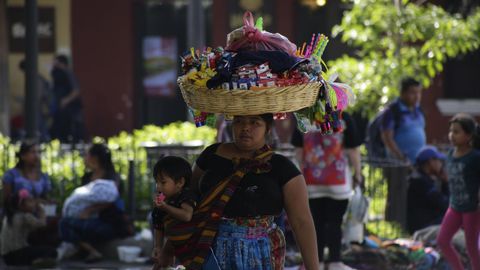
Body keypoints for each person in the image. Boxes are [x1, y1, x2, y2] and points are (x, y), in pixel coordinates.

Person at [160, 114, 319, 270]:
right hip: (207, 250)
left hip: (260, 252)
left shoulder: (282, 167)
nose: (245, 128)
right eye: (239, 121)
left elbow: (302, 222)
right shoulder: (211, 155)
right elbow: (186, 202)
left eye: (254, 122)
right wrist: (168, 250)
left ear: (268, 128)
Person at [291, 111, 362, 270]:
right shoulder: (343, 118)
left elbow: (298, 150)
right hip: (338, 183)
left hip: (311, 182)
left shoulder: (304, 117)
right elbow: (353, 150)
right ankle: (335, 261)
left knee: (315, 223)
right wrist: (358, 174)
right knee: (335, 222)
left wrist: (303, 171)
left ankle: (318, 262)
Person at [58, 143, 131, 263]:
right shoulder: (87, 178)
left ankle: (90, 251)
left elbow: (111, 197)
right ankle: (88, 249)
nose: (84, 158)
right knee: (64, 223)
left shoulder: (112, 177)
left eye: (86, 155)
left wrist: (91, 210)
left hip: (108, 223)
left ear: (94, 158)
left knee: (64, 224)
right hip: (88, 221)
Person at [436, 113, 480, 270]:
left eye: (456, 132)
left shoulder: (475, 157)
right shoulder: (450, 154)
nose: (451, 135)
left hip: (472, 209)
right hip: (454, 206)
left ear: (468, 136)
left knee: (472, 248)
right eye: (450, 131)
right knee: (442, 240)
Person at [380, 77, 426, 229]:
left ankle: (409, 226)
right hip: (397, 163)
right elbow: (387, 137)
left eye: (418, 93)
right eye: (413, 93)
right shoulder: (393, 111)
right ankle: (393, 228)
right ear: (403, 93)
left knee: (413, 195)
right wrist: (401, 158)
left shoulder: (418, 109)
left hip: (417, 163)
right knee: (396, 196)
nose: (417, 96)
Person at [151, 156, 196, 269]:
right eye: (157, 182)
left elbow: (186, 216)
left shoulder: (186, 196)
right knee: (159, 265)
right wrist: (158, 247)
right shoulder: (164, 202)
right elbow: (158, 225)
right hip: (173, 243)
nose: (158, 187)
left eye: (163, 182)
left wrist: (165, 207)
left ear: (180, 182)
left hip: (191, 244)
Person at [0, 189, 57, 267]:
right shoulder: (25, 216)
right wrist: (42, 211)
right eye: (30, 201)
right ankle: (36, 263)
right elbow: (42, 224)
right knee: (52, 252)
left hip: (6, 257)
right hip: (17, 254)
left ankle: (37, 261)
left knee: (37, 243)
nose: (34, 204)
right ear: (21, 205)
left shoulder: (9, 216)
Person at [406, 145, 449, 234]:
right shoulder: (421, 182)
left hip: (428, 224)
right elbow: (445, 206)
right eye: (438, 160)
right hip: (424, 229)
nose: (441, 164)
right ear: (430, 162)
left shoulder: (421, 178)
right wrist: (446, 183)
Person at [50, 54, 84, 142]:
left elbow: (76, 90)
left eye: (56, 63)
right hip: (64, 107)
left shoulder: (67, 73)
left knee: (73, 128)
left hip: (72, 107)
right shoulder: (58, 74)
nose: (54, 65)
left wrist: (65, 100)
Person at [17, 59, 53, 142]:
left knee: (39, 126)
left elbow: (38, 95)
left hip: (38, 106)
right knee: (39, 125)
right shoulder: (36, 77)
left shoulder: (35, 78)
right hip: (38, 105)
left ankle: (45, 141)